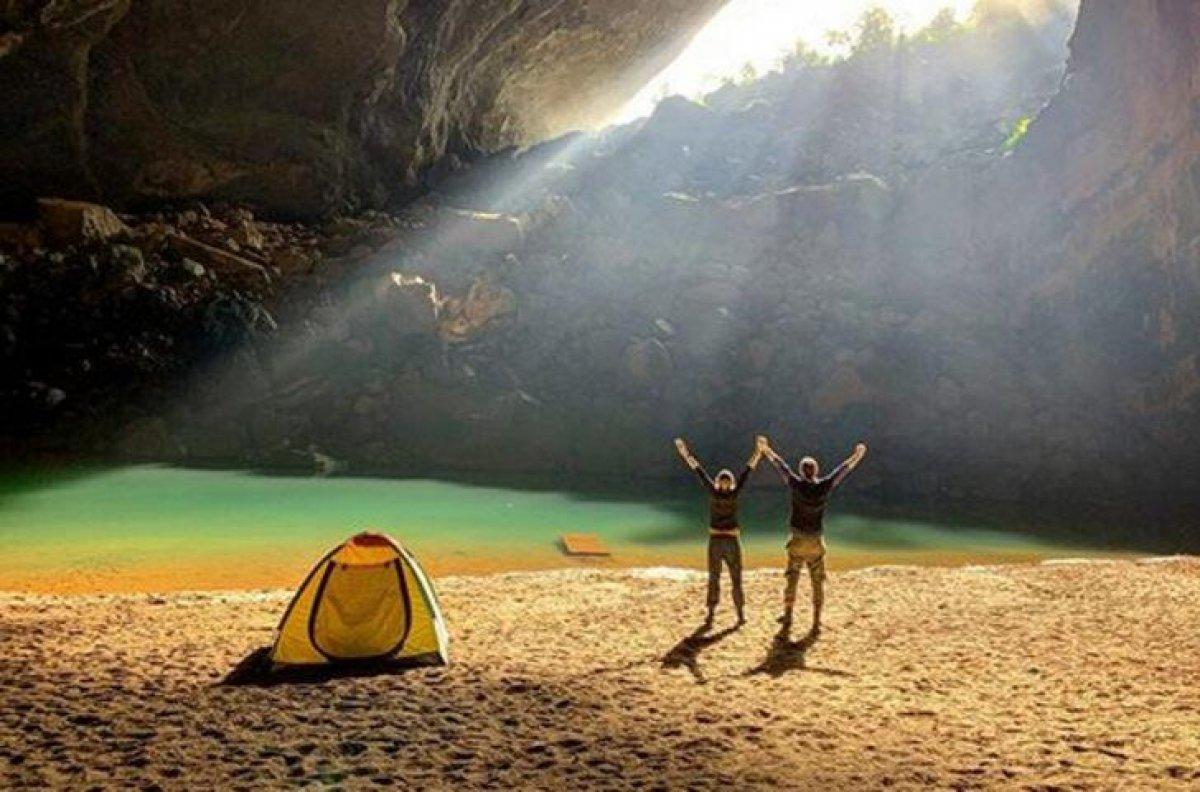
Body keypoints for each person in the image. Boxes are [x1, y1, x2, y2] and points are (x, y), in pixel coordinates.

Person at [759, 436, 867, 639]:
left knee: (792, 577)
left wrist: (766, 450)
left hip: (797, 540)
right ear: (816, 471)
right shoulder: (823, 486)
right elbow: (842, 471)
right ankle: (816, 621)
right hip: (815, 541)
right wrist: (857, 455)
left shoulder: (796, 485)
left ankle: (788, 616)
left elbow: (781, 467)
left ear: (801, 471)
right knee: (817, 581)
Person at [674, 437, 763, 630]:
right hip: (729, 540)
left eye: (723, 482)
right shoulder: (732, 493)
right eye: (725, 482)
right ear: (728, 483)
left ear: (721, 483)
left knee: (719, 577)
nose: (723, 485)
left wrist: (684, 453)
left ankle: (717, 613)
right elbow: (746, 472)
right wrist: (758, 452)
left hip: (718, 540)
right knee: (732, 577)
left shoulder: (715, 493)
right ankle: (735, 614)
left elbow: (699, 471)